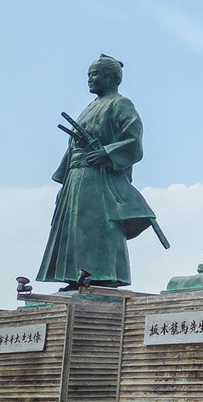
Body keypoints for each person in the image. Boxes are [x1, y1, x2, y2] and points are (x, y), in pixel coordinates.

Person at [38, 54, 160, 289]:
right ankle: (76, 278)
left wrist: (107, 153)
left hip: (98, 178)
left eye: (95, 74)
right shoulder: (89, 108)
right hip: (77, 178)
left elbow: (133, 140)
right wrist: (65, 180)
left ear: (111, 77)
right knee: (73, 231)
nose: (90, 79)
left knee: (96, 229)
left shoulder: (120, 103)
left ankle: (101, 276)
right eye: (88, 75)